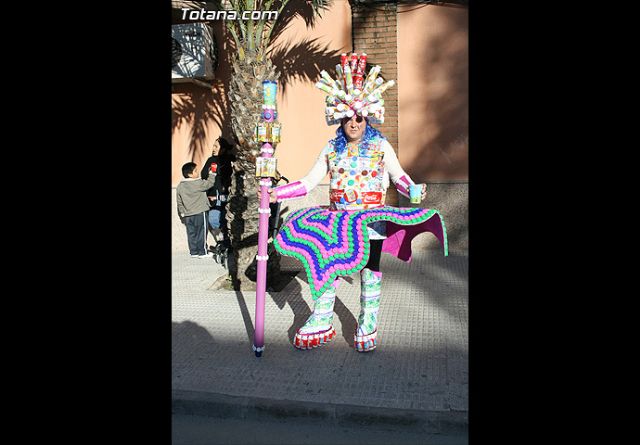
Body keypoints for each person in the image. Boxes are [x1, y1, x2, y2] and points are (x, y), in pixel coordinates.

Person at [267, 53, 448, 352]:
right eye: (348, 117)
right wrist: (278, 193)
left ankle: (368, 320)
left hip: (371, 220)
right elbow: (309, 182)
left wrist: (414, 190)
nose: (354, 123)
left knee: (369, 267)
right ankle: (322, 317)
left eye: (359, 117)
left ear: (368, 118)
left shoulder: (380, 145)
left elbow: (399, 176)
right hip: (337, 221)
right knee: (327, 265)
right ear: (339, 118)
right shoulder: (331, 148)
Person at [200, 137, 234, 253]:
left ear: (223, 149)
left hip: (226, 195)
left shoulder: (229, 160)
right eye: (213, 146)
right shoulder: (211, 160)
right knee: (214, 219)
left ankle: (227, 244)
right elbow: (203, 175)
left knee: (225, 219)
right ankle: (222, 241)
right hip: (213, 195)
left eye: (216, 146)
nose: (213, 149)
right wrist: (211, 172)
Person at [177, 162, 216, 258]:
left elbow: (179, 201)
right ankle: (203, 252)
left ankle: (194, 252)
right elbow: (209, 184)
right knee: (201, 232)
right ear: (190, 174)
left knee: (191, 234)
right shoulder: (197, 183)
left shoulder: (180, 186)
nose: (198, 172)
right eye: (195, 171)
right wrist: (212, 173)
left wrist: (182, 212)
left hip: (188, 215)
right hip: (200, 212)